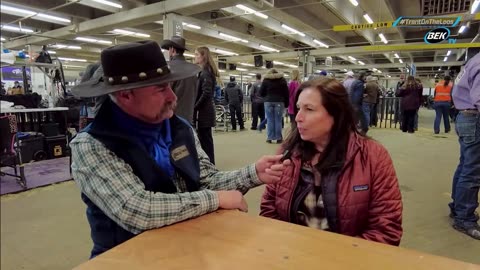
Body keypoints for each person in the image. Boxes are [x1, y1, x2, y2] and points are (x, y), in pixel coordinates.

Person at [69, 40, 291, 258]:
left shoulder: (179, 128)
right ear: (126, 95)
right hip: (125, 259)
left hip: (183, 248)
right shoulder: (92, 145)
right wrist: (215, 199)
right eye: (161, 89)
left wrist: (253, 173)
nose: (173, 97)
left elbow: (206, 180)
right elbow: (136, 209)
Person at [260, 78, 402, 245]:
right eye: (298, 108)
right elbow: (269, 210)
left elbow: (386, 229)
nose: (298, 117)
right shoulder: (288, 153)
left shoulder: (373, 156)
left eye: (309, 109)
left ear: (336, 113)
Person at [449, 52, 480, 240]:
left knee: (465, 167)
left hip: (465, 117)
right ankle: (464, 218)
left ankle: (458, 208)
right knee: (473, 171)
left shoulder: (472, 62)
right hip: (474, 118)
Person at [160, 36, 199, 125]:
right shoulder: (193, 71)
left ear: (173, 50)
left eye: (169, 49)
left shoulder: (169, 68)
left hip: (171, 119)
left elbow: (165, 96)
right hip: (188, 118)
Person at [193, 47, 217, 164]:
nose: (195, 57)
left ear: (203, 56)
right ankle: (209, 164)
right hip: (204, 111)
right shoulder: (204, 72)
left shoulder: (206, 73)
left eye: (197, 54)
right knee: (204, 140)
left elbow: (206, 93)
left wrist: (195, 106)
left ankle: (211, 165)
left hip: (205, 112)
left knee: (206, 142)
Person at [260, 69, 289, 144]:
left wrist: (266, 97)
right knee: (278, 120)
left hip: (268, 101)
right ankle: (278, 138)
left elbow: (261, 92)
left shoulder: (266, 80)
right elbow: (286, 93)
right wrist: (286, 103)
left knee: (270, 120)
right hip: (279, 101)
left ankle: (270, 138)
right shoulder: (282, 80)